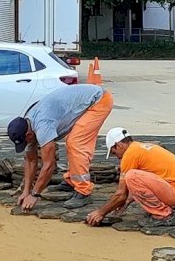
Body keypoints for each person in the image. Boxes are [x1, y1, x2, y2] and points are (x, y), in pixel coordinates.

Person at [7, 83, 113, 211]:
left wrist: (35, 194)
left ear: (28, 134)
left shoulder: (42, 126)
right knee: (72, 140)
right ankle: (72, 181)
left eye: (26, 142)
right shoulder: (27, 124)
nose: (27, 145)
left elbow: (49, 164)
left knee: (76, 142)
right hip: (84, 101)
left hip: (98, 101)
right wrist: (26, 191)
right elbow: (30, 160)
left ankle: (83, 191)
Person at [86, 128, 175, 227]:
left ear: (119, 145)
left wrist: (101, 212)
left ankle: (163, 214)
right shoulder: (140, 148)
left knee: (132, 176)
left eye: (114, 153)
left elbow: (121, 194)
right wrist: (127, 201)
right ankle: (160, 210)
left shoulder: (130, 154)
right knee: (134, 177)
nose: (117, 157)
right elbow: (142, 185)